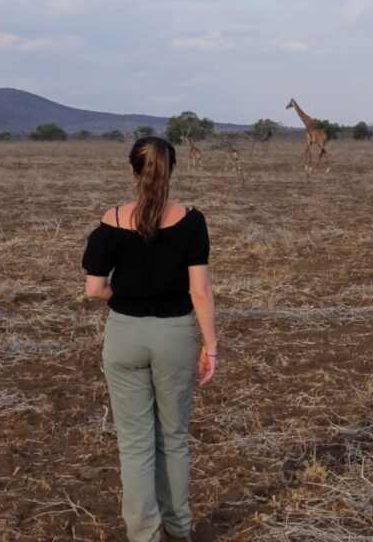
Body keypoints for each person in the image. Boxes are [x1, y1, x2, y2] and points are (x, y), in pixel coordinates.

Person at [82, 136, 218, 542]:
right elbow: (200, 292)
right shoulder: (192, 221)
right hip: (175, 336)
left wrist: (120, 297)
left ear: (133, 171)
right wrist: (211, 346)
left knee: (135, 443)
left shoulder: (111, 221)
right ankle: (178, 528)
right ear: (172, 170)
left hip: (124, 336)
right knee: (173, 437)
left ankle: (143, 533)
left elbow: (93, 289)